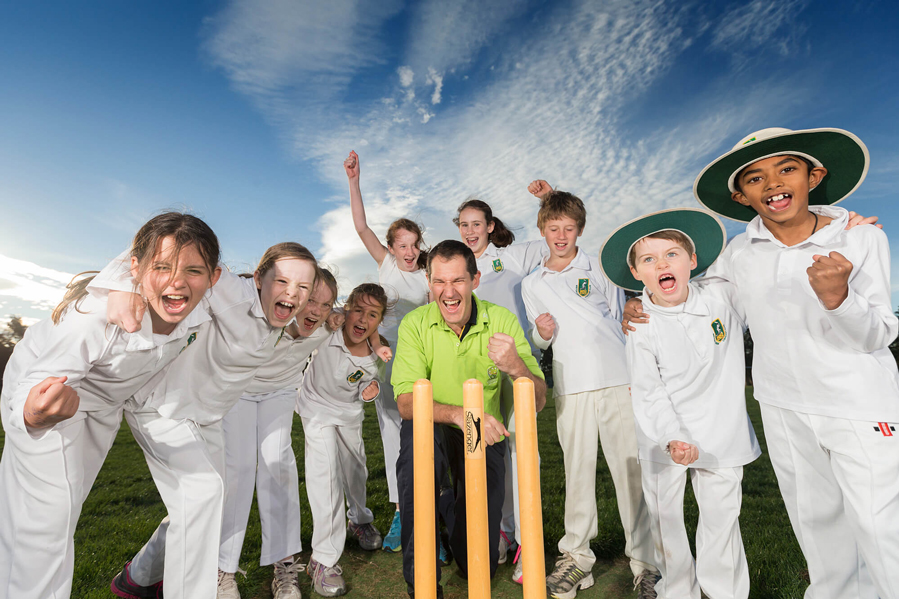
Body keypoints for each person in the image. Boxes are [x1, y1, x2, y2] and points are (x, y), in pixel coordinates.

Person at [690, 127, 899, 598]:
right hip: (782, 406)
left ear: (814, 175)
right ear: (741, 196)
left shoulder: (861, 238)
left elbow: (879, 333)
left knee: (883, 528)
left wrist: (839, 298)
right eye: (755, 178)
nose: (772, 184)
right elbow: (700, 304)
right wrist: (642, 303)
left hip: (860, 406)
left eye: (786, 169)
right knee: (818, 530)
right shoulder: (738, 253)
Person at [0, 212, 222, 599]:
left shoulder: (200, 311)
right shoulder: (92, 317)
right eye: (163, 267)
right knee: (46, 519)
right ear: (134, 267)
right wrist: (35, 412)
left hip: (114, 404)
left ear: (214, 278)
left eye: (194, 271)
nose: (177, 281)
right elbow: (35, 386)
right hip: (51, 401)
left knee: (201, 489)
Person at [93, 242, 319, 599]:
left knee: (208, 502)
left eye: (303, 287)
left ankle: (137, 579)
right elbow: (168, 248)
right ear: (259, 278)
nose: (292, 293)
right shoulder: (232, 290)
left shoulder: (285, 314)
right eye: (282, 281)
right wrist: (120, 284)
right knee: (205, 496)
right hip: (161, 408)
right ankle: (200, 588)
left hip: (208, 417)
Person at [599, 208, 760, 598]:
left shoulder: (723, 295)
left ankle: (724, 592)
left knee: (722, 522)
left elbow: (757, 249)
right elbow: (648, 388)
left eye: (672, 254)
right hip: (662, 437)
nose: (662, 264)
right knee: (666, 523)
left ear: (693, 261)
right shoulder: (640, 323)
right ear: (636, 274)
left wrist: (827, 219)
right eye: (649, 259)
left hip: (722, 434)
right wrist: (672, 436)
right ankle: (678, 591)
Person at [520, 190, 659, 598]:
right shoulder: (532, 284)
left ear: (579, 229)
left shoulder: (597, 264)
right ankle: (577, 559)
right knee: (577, 473)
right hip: (571, 387)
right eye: (553, 229)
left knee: (629, 473)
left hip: (617, 380)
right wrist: (540, 335)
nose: (561, 236)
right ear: (542, 229)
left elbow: (621, 316)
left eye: (568, 228)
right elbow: (538, 342)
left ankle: (646, 563)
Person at [391, 239, 546, 597]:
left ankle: (447, 503)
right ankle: (424, 586)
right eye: (439, 282)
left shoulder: (502, 320)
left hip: (482, 431)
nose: (448, 292)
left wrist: (517, 367)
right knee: (418, 451)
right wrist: (460, 414)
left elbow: (536, 401)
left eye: (458, 280)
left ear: (474, 281)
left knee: (479, 562)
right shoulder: (415, 324)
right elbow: (405, 403)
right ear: (429, 283)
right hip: (435, 425)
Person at [217, 269, 342, 599]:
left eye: (326, 304)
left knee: (278, 463)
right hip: (238, 391)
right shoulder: (269, 316)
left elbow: (360, 328)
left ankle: (285, 566)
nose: (315, 311)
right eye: (311, 300)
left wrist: (341, 316)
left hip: (281, 392)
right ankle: (223, 571)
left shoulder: (327, 325)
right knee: (239, 469)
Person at [453, 193, 551, 580]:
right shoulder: (457, 266)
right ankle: (503, 530)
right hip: (477, 368)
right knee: (484, 449)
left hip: (517, 362)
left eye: (477, 223)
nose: (471, 231)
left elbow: (556, 237)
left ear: (490, 227)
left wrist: (548, 198)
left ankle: (531, 544)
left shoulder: (511, 256)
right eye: (464, 224)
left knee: (522, 448)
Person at [345, 150, 430, 553]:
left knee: (429, 439)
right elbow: (361, 226)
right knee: (394, 440)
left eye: (414, 244)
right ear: (392, 247)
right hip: (387, 365)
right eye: (402, 244)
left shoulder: (431, 274)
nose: (409, 252)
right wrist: (354, 181)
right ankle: (401, 516)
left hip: (425, 366)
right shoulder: (387, 267)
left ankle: (433, 513)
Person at [297, 283, 392, 597]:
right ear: (346, 309)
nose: (363, 318)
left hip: (349, 414)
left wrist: (373, 390)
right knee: (326, 477)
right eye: (358, 309)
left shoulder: (379, 353)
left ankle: (359, 519)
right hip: (315, 410)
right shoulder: (330, 329)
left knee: (356, 471)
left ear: (379, 321)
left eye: (373, 314)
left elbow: (374, 383)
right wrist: (330, 316)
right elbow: (316, 317)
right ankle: (323, 560)